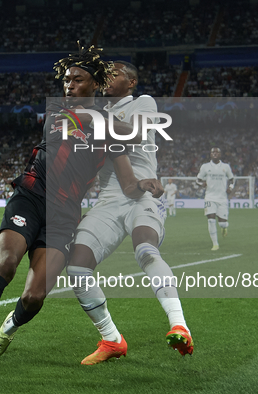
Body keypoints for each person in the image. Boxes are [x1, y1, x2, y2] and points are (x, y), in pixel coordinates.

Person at [0, 44, 158, 379]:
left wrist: (145, 185)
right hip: (31, 197)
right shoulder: (61, 115)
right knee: (7, 262)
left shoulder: (105, 127)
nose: (68, 86)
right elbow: (117, 129)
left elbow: (128, 179)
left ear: (95, 85)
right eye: (67, 80)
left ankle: (8, 328)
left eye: (77, 80)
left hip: (64, 217)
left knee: (34, 297)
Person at [61, 61, 192, 365]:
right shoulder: (92, 114)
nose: (107, 78)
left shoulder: (141, 103)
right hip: (108, 198)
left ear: (131, 82)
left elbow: (134, 132)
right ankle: (111, 339)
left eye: (114, 73)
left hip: (141, 194)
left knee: (145, 251)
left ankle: (179, 325)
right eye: (103, 75)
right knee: (77, 267)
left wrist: (90, 112)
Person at [196, 147, 234, 251]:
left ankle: (224, 227)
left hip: (222, 198)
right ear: (210, 154)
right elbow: (198, 180)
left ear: (220, 154)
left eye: (217, 152)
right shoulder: (205, 167)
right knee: (211, 220)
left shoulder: (225, 167)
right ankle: (215, 244)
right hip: (210, 197)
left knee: (222, 223)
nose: (215, 154)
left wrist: (230, 188)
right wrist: (201, 183)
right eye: (213, 152)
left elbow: (231, 179)